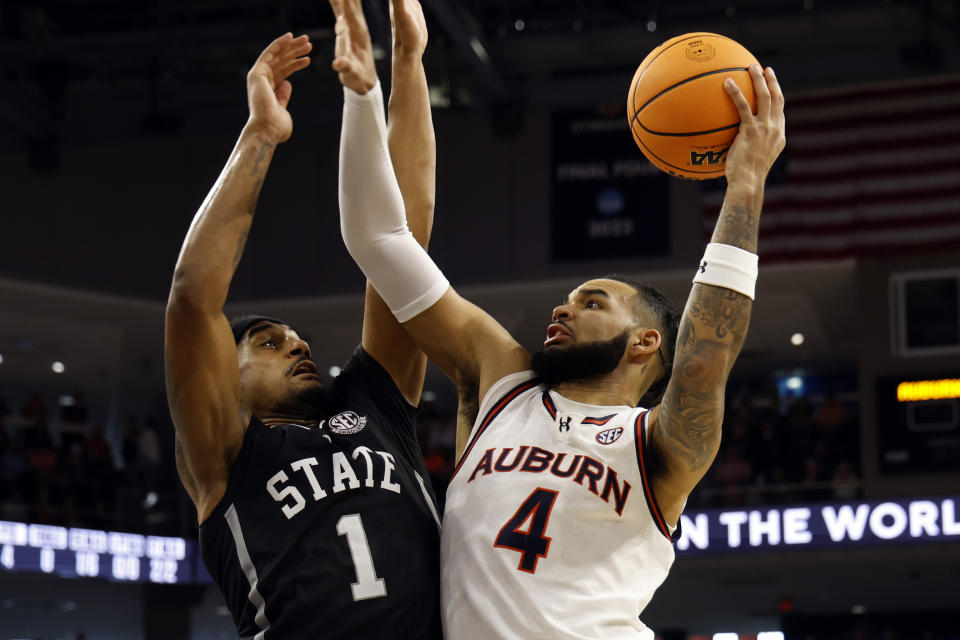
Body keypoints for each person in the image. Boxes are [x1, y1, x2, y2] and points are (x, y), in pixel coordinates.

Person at [334, 0, 786, 634]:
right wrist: (397, 69)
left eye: (592, 302)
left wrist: (745, 187)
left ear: (645, 343)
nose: (563, 307)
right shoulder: (502, 384)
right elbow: (381, 240)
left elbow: (706, 358)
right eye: (569, 299)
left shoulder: (656, 443)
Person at [164, 0, 443, 635]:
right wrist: (260, 133)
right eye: (268, 343)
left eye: (296, 340)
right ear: (224, 377)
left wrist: (409, 61)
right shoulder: (228, 455)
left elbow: (406, 240)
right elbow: (192, 296)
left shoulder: (374, 405)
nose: (298, 347)